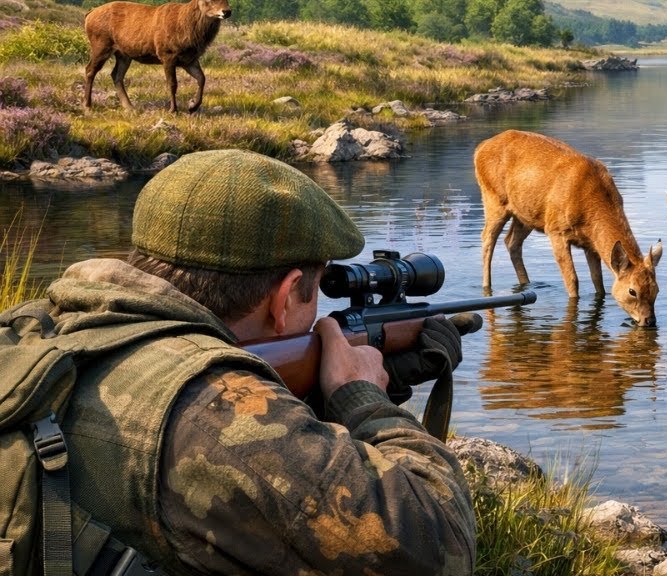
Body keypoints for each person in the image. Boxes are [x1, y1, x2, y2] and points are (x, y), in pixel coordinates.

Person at [30, 149, 475, 575]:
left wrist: (348, 387)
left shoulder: (46, 326)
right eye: (317, 289)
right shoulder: (216, 413)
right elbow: (439, 548)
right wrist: (365, 401)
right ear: (284, 297)